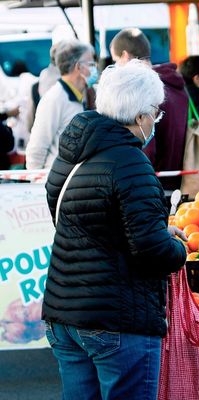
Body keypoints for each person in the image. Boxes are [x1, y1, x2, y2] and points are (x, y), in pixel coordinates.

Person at [43, 60, 187, 400]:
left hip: (65, 312)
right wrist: (178, 247)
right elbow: (152, 250)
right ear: (140, 117)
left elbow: (75, 220)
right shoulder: (130, 162)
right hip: (117, 316)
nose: (156, 120)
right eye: (155, 112)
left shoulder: (71, 154)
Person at [110, 28, 188, 192]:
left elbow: (146, 143)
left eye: (115, 60)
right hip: (181, 183)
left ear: (125, 56)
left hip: (151, 185)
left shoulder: (143, 89)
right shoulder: (176, 85)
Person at [26, 40, 96, 169]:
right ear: (78, 67)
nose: (94, 67)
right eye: (91, 63)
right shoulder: (54, 99)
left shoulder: (79, 96)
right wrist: (37, 185)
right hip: (55, 183)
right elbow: (36, 149)